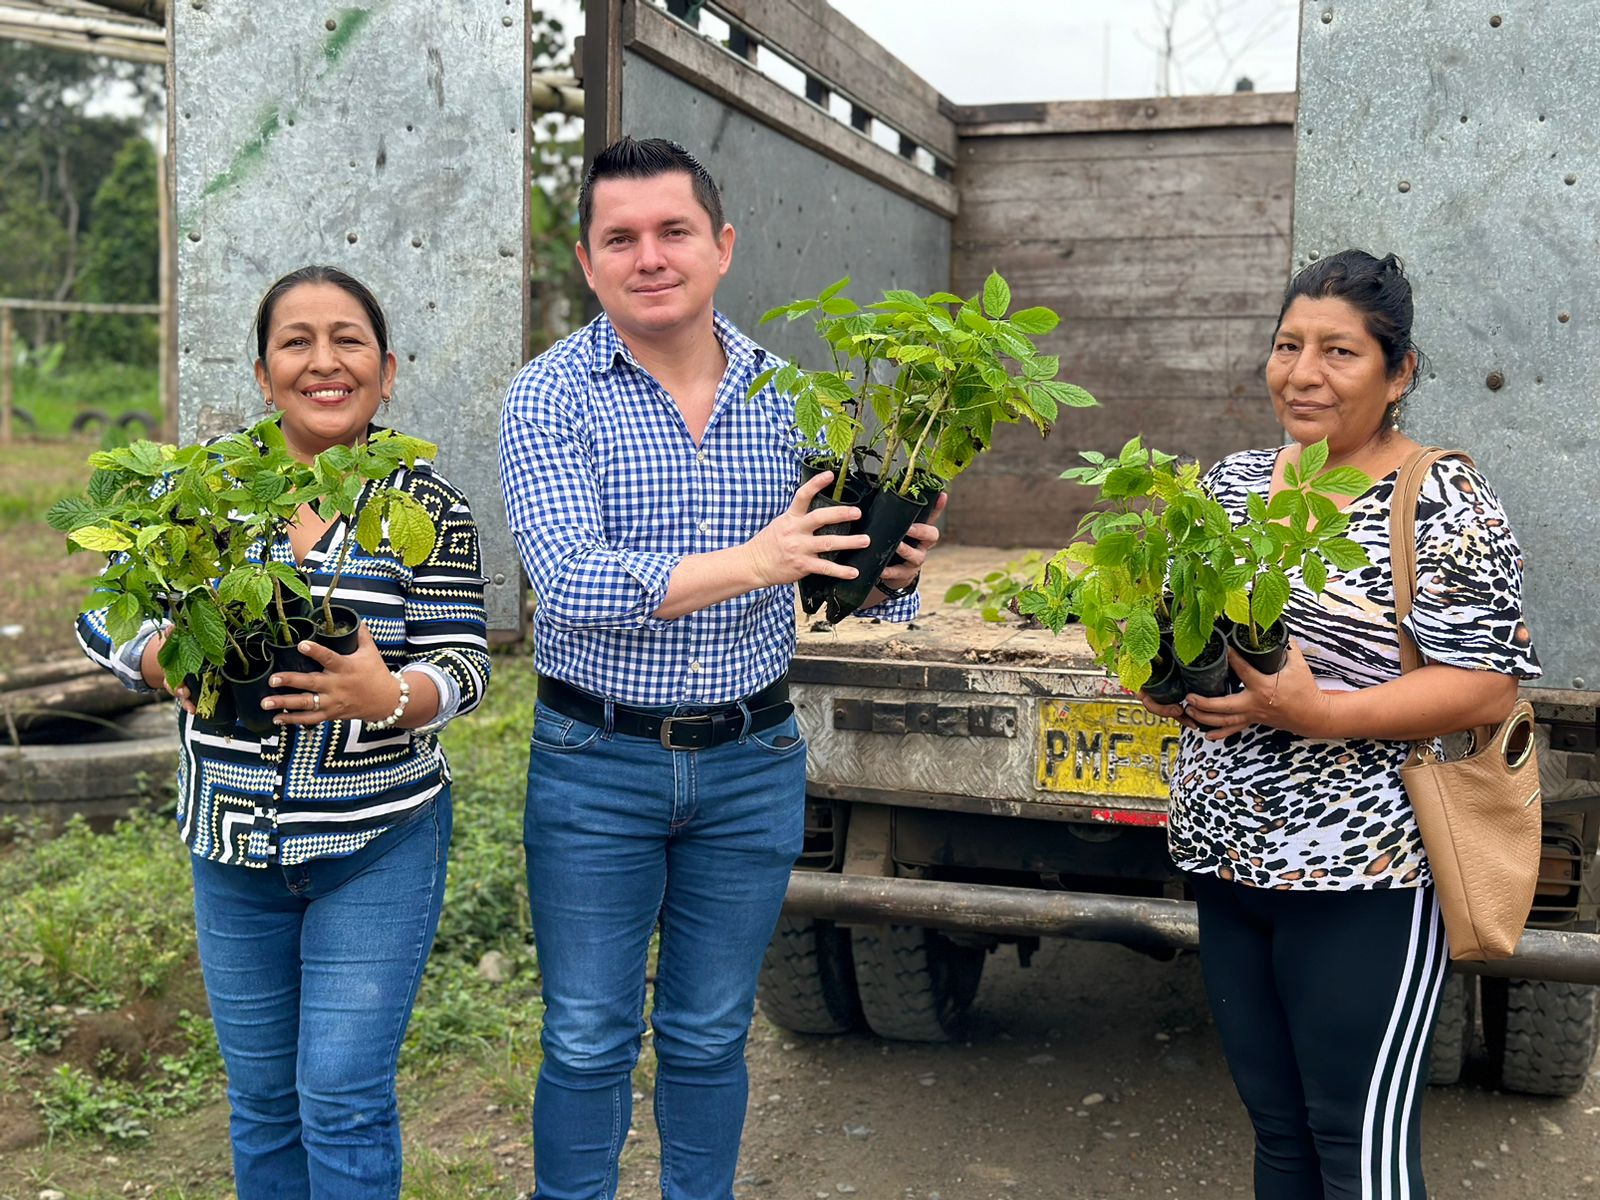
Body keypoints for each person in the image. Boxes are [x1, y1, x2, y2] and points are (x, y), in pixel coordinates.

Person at [497, 136, 943, 1198]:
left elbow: (835, 579)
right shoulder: (547, 397)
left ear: (722, 245)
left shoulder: (795, 397)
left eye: (674, 231)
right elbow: (570, 582)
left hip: (752, 762)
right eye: (621, 238)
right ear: (587, 260)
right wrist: (760, 560)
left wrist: (889, 569)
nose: (650, 257)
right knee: (588, 1037)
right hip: (596, 761)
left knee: (707, 1035)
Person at [76, 265, 491, 1198]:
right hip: (231, 847)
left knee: (341, 1098)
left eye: (349, 341)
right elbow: (105, 611)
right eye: (295, 343)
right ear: (264, 377)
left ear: (387, 372)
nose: (323, 362)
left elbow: (465, 662)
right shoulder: (201, 489)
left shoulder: (424, 505)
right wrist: (159, 656)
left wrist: (389, 694)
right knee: (263, 1103)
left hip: (377, 841)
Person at [1143, 249, 1541, 1198]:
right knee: (1279, 1134)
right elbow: (1187, 635)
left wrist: (1321, 713)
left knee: (1358, 1143)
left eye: (1339, 351)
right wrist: (1168, 682)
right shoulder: (1232, 486)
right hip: (1228, 856)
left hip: (1367, 871)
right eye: (1288, 346)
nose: (1303, 373)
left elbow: (1486, 686)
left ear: (1399, 374)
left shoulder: (1439, 498)